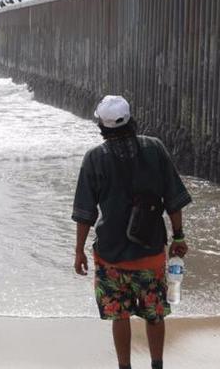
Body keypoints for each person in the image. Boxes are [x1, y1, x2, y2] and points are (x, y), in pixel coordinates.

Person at [72, 95, 191, 369]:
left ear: (102, 126)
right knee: (155, 314)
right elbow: (173, 198)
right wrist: (179, 236)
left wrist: (79, 251)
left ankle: (124, 367)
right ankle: (157, 364)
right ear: (130, 119)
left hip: (111, 255)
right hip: (150, 252)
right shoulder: (155, 148)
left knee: (120, 315)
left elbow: (85, 213)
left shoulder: (94, 159)